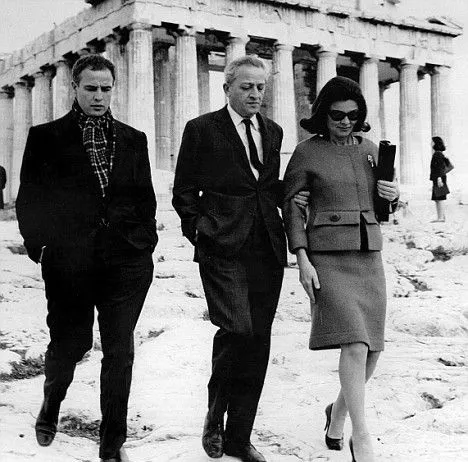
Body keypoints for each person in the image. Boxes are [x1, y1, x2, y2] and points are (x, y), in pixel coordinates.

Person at [16, 54, 157, 462]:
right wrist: (39, 246)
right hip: (69, 264)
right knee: (70, 342)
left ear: (114, 90)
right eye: (91, 88)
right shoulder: (46, 137)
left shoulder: (134, 139)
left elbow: (144, 199)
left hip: (126, 262)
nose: (99, 96)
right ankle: (51, 403)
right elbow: (30, 199)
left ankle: (112, 443)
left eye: (106, 89)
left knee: (119, 350)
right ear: (74, 88)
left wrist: (143, 243)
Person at [173, 55, 308, 462]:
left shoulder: (274, 130)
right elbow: (184, 190)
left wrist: (296, 192)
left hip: (266, 245)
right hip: (221, 245)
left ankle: (240, 436)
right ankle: (215, 417)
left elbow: (263, 184)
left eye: (260, 87)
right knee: (236, 330)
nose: (254, 94)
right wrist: (199, 230)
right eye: (246, 86)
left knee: (259, 340)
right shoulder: (201, 129)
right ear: (227, 88)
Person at [282, 76, 399, 462]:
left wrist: (393, 197)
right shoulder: (306, 153)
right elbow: (292, 209)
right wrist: (301, 259)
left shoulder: (371, 150)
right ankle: (361, 435)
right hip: (327, 257)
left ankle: (338, 414)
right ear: (323, 115)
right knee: (353, 342)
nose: (346, 121)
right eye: (337, 115)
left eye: (353, 115)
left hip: (368, 256)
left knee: (373, 348)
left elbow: (382, 206)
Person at [430, 136, 449, 222]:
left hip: (439, 178)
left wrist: (439, 178)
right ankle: (441, 217)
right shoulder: (440, 153)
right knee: (438, 198)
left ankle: (440, 218)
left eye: (432, 142)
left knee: (439, 198)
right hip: (439, 178)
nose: (431, 143)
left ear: (436, 143)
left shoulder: (437, 154)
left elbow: (439, 168)